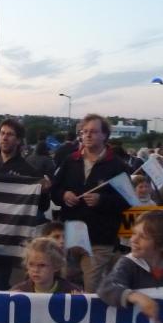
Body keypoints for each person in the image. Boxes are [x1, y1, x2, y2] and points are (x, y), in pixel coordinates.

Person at [50, 113, 130, 293]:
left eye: (93, 132)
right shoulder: (71, 160)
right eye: (84, 131)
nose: (87, 135)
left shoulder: (117, 166)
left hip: (99, 240)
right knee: (62, 286)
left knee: (90, 289)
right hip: (69, 236)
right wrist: (64, 195)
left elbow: (127, 201)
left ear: (104, 135)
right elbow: (54, 190)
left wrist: (102, 201)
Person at [0, 118, 50, 288]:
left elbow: (42, 206)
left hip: (5, 244)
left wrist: (44, 190)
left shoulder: (28, 171)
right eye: (2, 133)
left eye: (10, 134)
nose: (5, 137)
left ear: (18, 140)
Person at [97, 210, 163, 323]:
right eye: (134, 233)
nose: (133, 240)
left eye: (143, 237)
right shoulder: (128, 264)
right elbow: (107, 287)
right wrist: (135, 296)